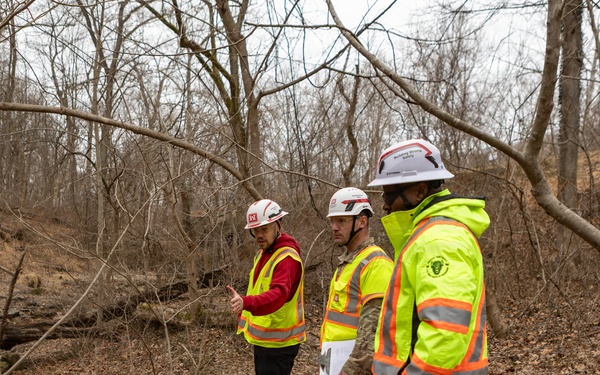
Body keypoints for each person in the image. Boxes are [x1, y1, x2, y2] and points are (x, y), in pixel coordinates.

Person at [368, 139, 490, 375]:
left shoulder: (438, 241)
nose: (384, 206)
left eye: (388, 194)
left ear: (420, 191)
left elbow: (444, 333)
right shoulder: (429, 235)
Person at [227, 199, 305, 375]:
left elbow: (278, 295)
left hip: (279, 343)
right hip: (267, 340)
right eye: (255, 230)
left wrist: (246, 302)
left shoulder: (286, 258)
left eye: (264, 229)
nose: (259, 235)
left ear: (278, 226)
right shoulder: (264, 254)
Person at [319, 187, 393, 375]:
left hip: (351, 368)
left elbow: (372, 333)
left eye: (341, 221)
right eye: (332, 221)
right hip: (331, 360)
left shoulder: (376, 263)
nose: (334, 227)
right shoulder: (348, 261)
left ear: (362, 221)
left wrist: (350, 371)